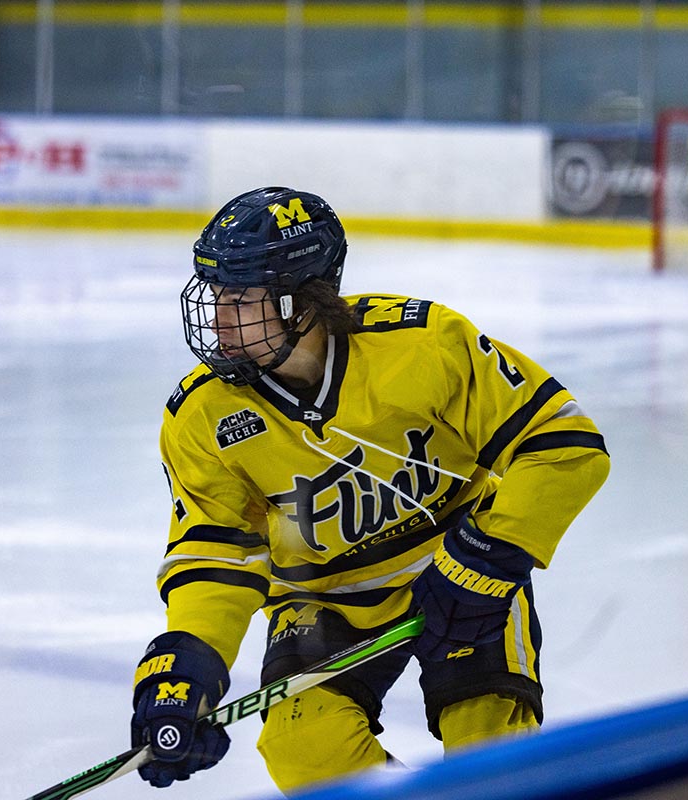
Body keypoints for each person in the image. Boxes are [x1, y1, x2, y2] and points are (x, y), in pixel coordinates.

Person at [129, 186, 611, 792]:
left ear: (302, 301)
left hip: (461, 572)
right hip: (323, 599)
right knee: (303, 750)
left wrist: (488, 557)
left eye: (240, 297)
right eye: (214, 294)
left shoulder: (424, 344)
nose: (217, 317)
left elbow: (563, 442)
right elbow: (216, 550)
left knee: (490, 754)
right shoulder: (202, 415)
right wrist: (188, 657)